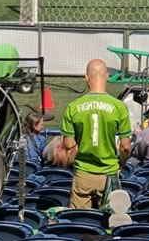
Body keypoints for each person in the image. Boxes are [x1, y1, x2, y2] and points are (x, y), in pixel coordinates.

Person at [56, 59, 132, 210]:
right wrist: (121, 165)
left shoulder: (73, 107)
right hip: (109, 173)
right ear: (107, 76)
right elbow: (125, 147)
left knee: (80, 221)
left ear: (86, 78)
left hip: (83, 173)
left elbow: (68, 145)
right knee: (110, 221)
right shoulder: (119, 107)